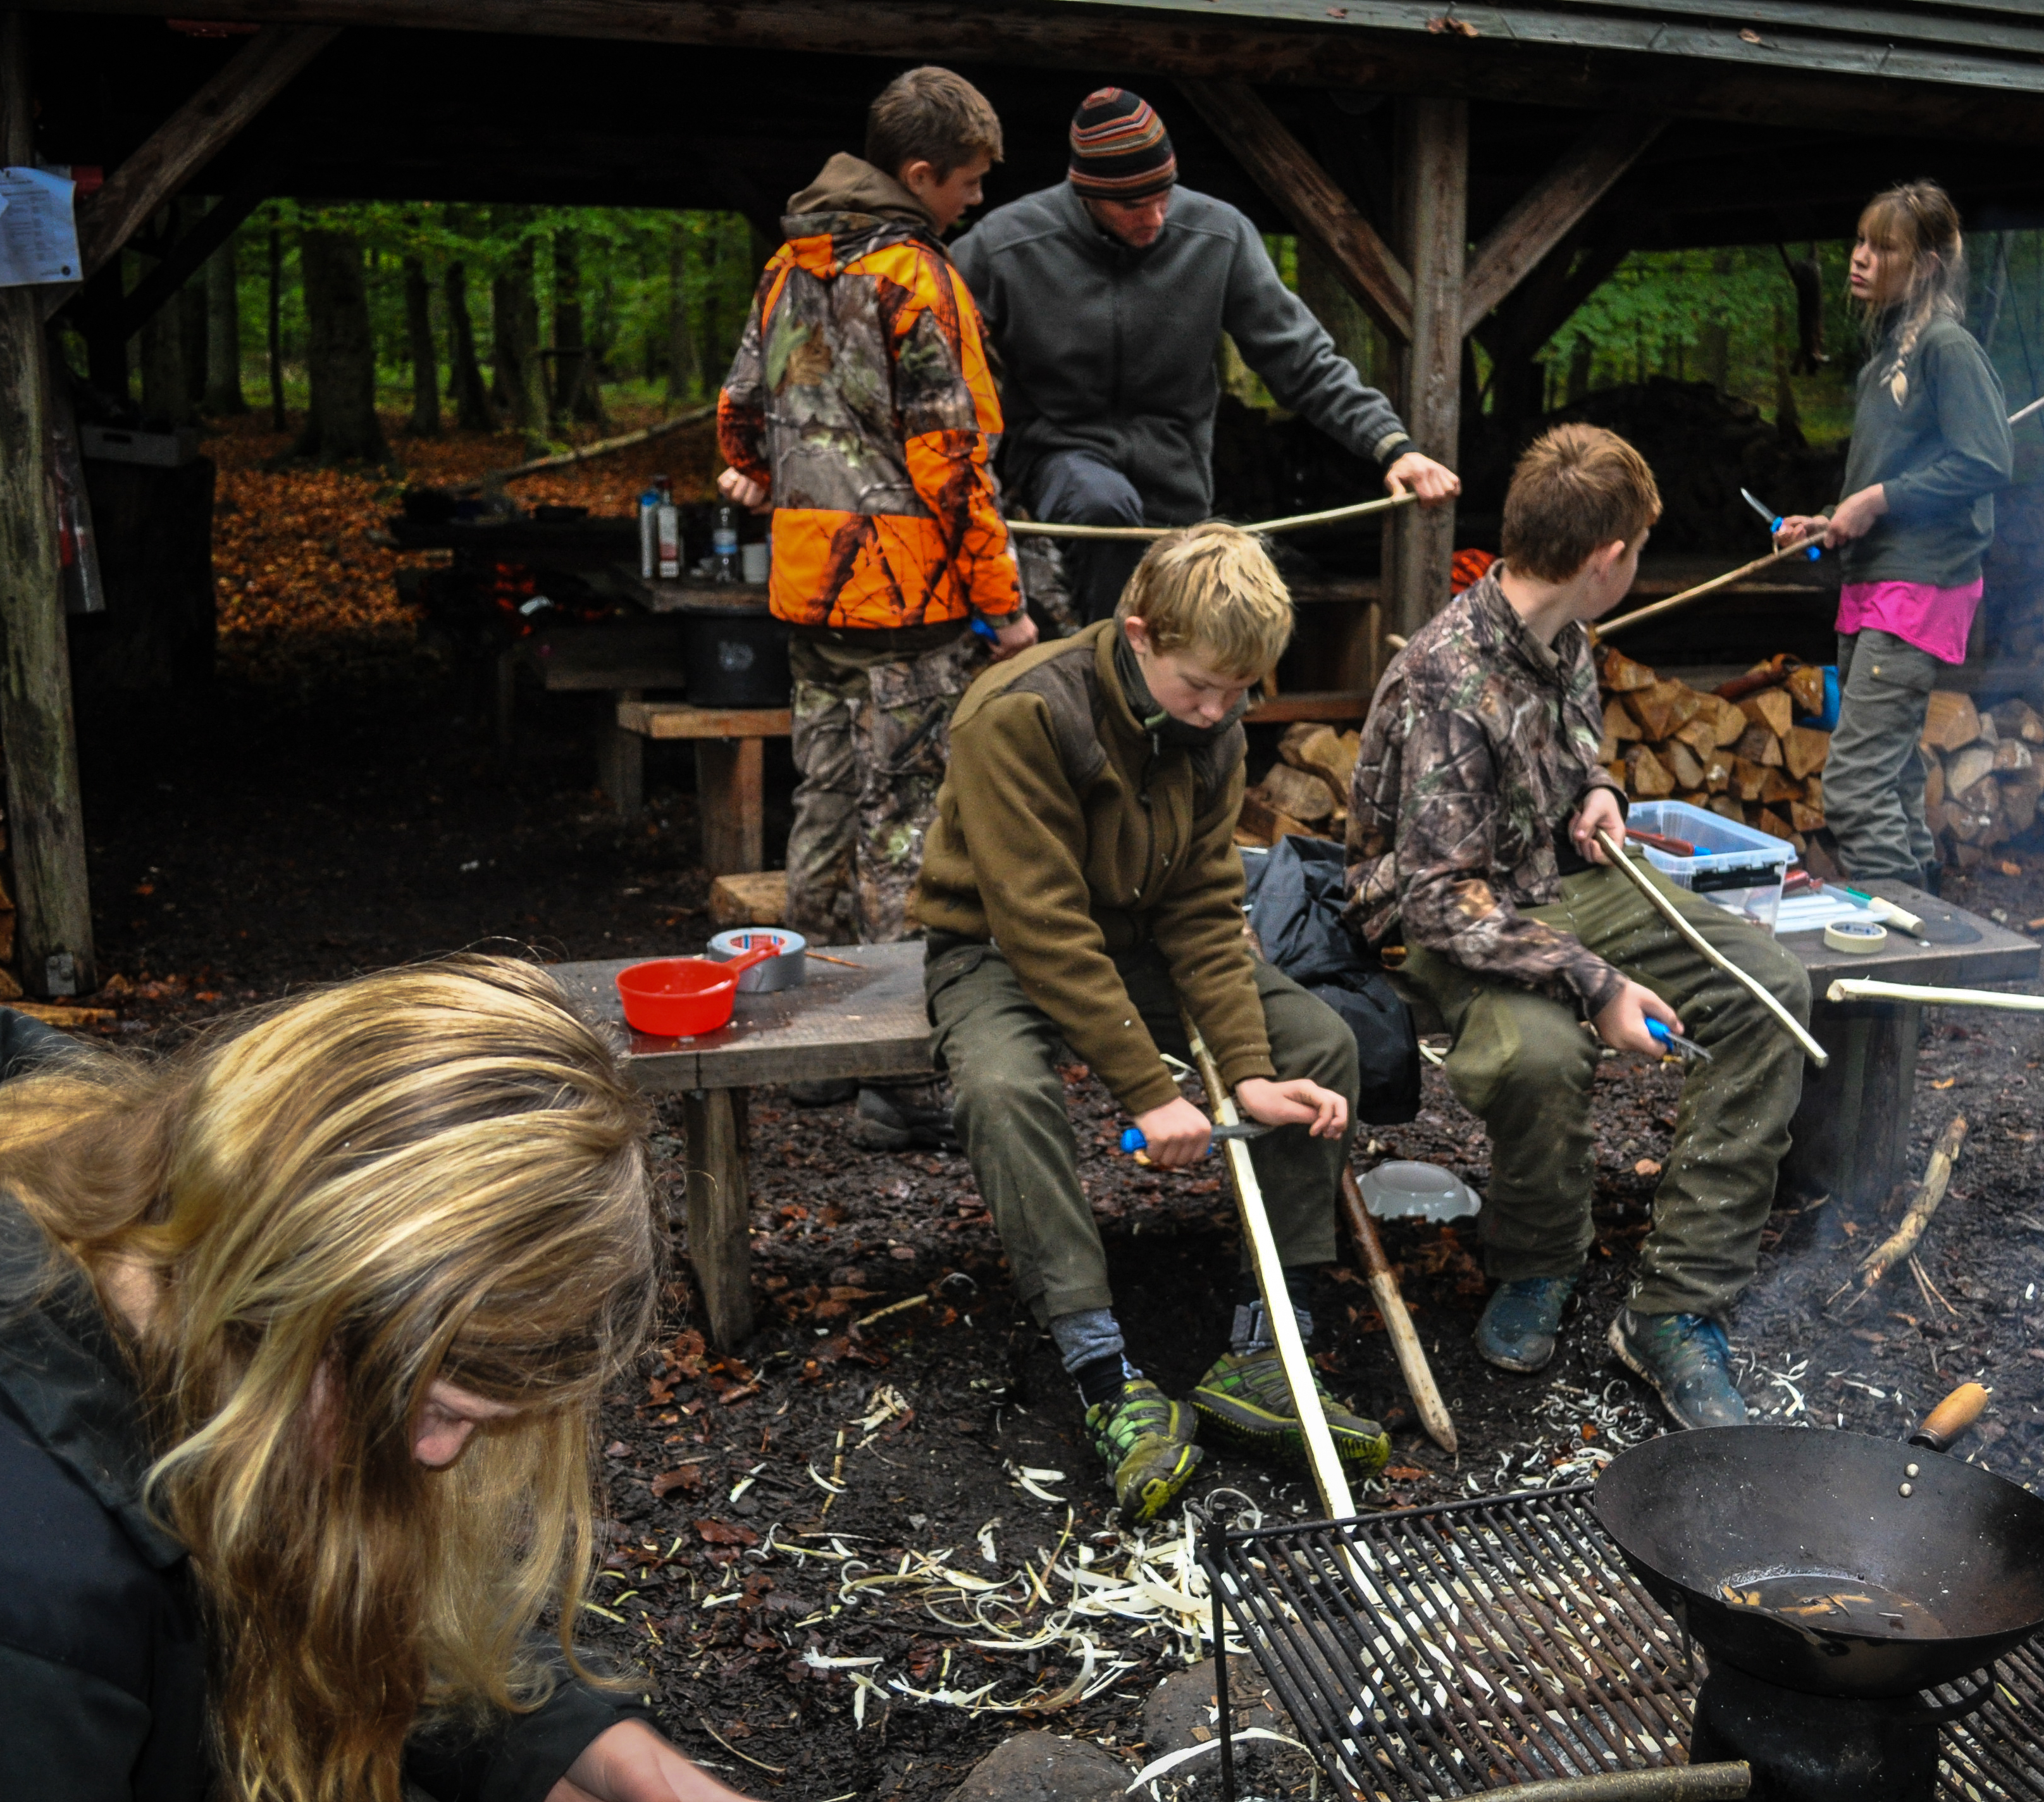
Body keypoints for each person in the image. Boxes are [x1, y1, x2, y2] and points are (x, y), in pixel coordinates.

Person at [0, 963, 757, 1802]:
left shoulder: (140, 1189)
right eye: (435, 1408)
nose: (436, 1457)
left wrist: (573, 1752)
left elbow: (317, 1575)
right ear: (282, 1298)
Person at [1347, 424, 1815, 1430]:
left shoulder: (1565, 630)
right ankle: (1539, 1260)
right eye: (1636, 551)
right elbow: (1437, 896)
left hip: (1556, 879)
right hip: (1452, 912)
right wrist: (1596, 983)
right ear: (1606, 560)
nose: (1636, 565)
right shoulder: (1445, 677)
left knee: (1770, 990)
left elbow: (1574, 741)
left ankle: (1676, 1306)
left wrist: (1599, 790)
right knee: (1539, 1053)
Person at [915, 522, 1385, 1521]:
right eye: (1201, 688)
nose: (1219, 712)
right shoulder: (1019, 714)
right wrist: (1150, 1093)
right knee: (1002, 1090)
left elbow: (1204, 909)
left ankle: (1266, 1350)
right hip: (998, 945)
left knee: (1319, 1044)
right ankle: (1101, 1373)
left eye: (1238, 693)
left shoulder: (1216, 722)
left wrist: (1246, 1071)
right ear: (1139, 635)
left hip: (1140, 940)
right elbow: (1041, 927)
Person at [717, 65, 1033, 1150]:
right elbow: (955, 458)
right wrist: (1004, 604)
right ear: (919, 174)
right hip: (907, 605)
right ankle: (896, 1077)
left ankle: (807, 1051)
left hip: (809, 588)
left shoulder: (787, 267)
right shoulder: (915, 276)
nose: (977, 199)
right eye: (969, 181)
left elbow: (740, 412)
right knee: (904, 828)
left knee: (821, 803)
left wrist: (771, 474)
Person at [950, 87, 1459, 619]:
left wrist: (1392, 446)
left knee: (1199, 619)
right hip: (1061, 459)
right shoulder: (1003, 246)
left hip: (1178, 479)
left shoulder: (1219, 235)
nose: (1155, 218)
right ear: (1086, 193)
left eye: (1163, 197)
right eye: (1132, 205)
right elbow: (934, 351)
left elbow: (1302, 359)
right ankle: (1109, 655)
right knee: (1104, 507)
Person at [1776, 180, 2011, 892]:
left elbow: (1986, 461)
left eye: (1882, 248)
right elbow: (1891, 479)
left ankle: (1900, 942)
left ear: (1927, 264)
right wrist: (1833, 517)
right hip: (1875, 580)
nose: (1858, 258)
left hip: (1920, 585)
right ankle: (1925, 922)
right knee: (1896, 776)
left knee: (1854, 788)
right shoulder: (1886, 361)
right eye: (1860, 242)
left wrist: (1877, 500)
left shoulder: (1947, 348)